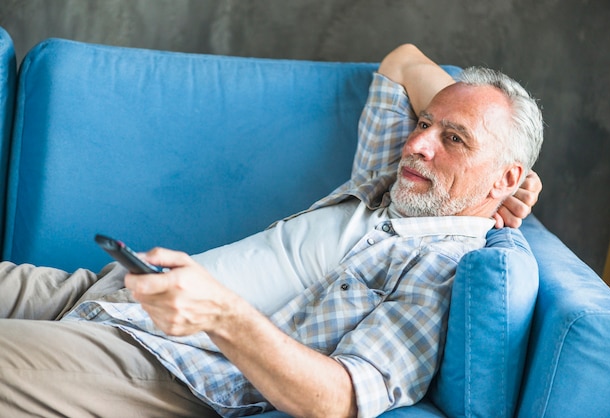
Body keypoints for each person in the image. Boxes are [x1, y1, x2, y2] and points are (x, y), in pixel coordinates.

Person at [0, 43, 543, 418]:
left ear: (507, 176)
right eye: (424, 123)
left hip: (156, 358)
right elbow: (403, 62)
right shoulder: (391, 184)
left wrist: (219, 313)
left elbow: (341, 400)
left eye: (455, 139)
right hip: (104, 290)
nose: (418, 144)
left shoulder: (443, 267)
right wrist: (473, 130)